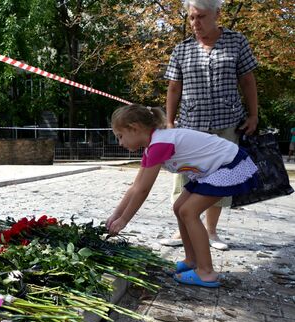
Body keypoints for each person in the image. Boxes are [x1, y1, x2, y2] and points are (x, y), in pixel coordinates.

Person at [105, 104, 259, 287]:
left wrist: (124, 221)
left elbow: (143, 190)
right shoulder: (152, 146)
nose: (120, 143)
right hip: (213, 170)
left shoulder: (160, 144)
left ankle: (206, 272)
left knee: (188, 211)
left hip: (230, 166)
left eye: (120, 136)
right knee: (179, 208)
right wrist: (116, 215)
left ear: (134, 128)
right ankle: (191, 260)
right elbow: (135, 186)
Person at [164, 0, 258, 250]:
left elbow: (248, 81)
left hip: (227, 123)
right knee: (185, 177)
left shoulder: (237, 42)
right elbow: (174, 88)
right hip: (191, 125)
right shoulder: (181, 49)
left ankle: (211, 232)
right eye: (192, 18)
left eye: (201, 17)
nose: (196, 23)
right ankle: (182, 231)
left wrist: (253, 115)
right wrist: (170, 121)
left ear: (217, 14)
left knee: (220, 179)